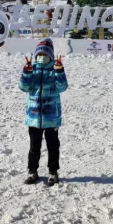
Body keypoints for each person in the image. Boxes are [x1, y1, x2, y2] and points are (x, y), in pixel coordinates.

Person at [19, 38, 68, 186]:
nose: (42, 57)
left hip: (51, 116)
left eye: (45, 54)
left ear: (51, 55)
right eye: (40, 54)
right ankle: (32, 171)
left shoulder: (54, 68)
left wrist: (60, 71)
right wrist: (26, 73)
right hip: (34, 117)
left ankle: (53, 171)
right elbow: (23, 87)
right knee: (34, 146)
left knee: (53, 146)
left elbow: (62, 87)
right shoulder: (32, 68)